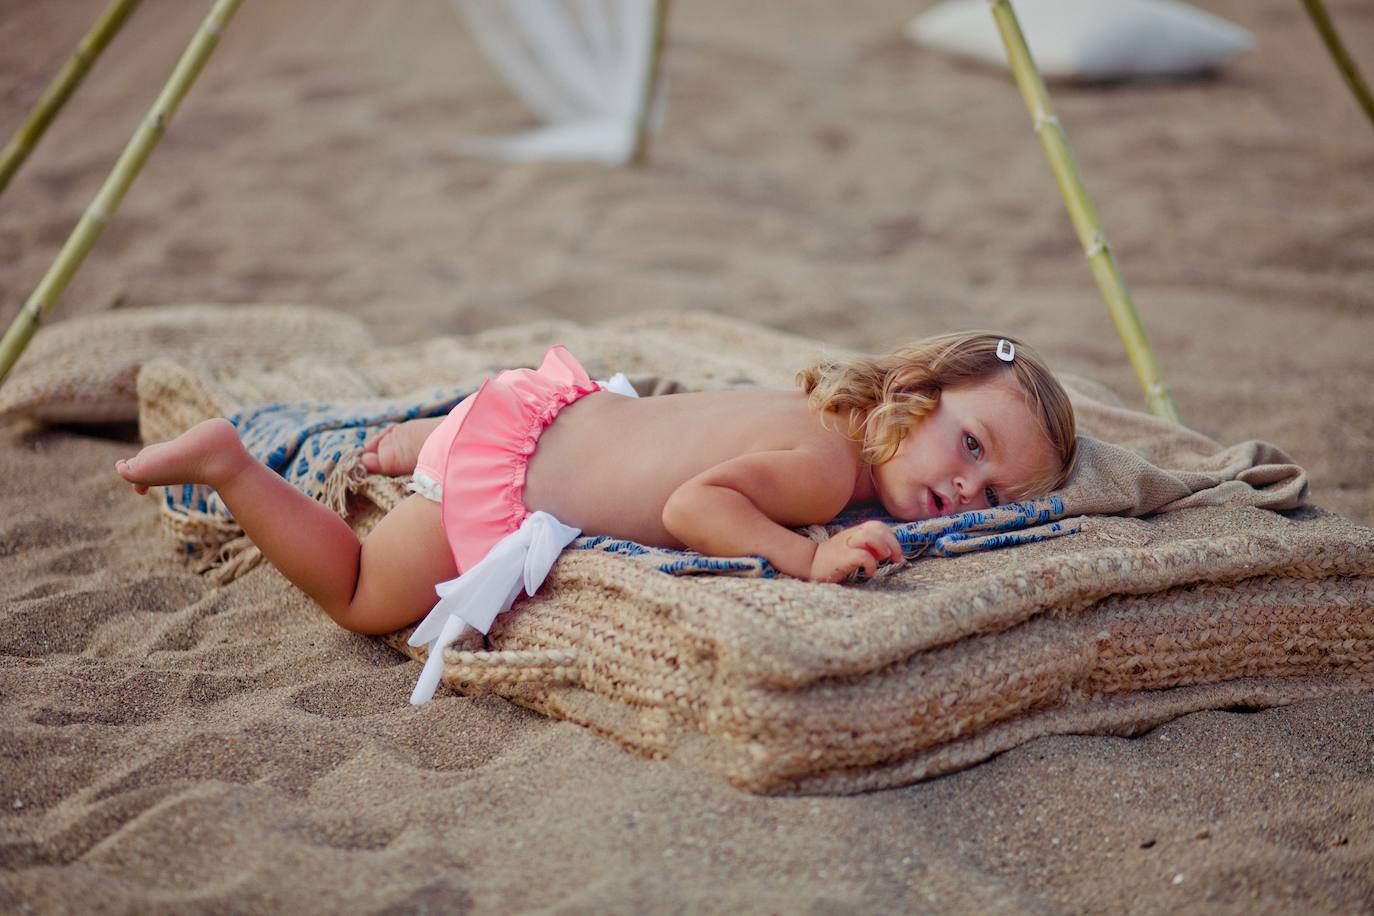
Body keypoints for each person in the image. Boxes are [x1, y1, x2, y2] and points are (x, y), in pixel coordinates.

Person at [115, 331, 1076, 672]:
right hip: (513, 481)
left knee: (458, 446)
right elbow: (703, 506)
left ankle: (423, 438)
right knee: (365, 597)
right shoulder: (828, 477)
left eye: (990, 493)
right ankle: (234, 469)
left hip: (539, 412)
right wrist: (806, 556)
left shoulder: (829, 411)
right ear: (918, 392)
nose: (965, 490)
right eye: (971, 447)